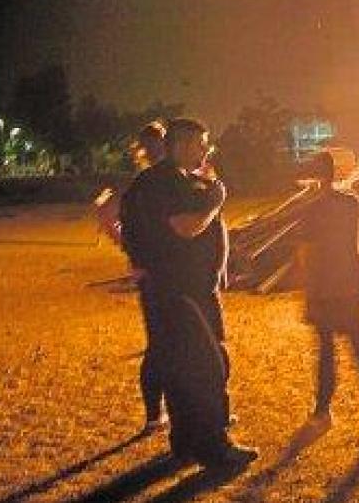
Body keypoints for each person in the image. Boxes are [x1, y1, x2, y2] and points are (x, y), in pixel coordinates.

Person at [119, 117, 257, 468]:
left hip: (180, 290)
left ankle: (184, 443)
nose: (206, 150)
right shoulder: (163, 182)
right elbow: (185, 226)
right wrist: (215, 198)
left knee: (183, 369)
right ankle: (214, 447)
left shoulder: (162, 181)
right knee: (206, 367)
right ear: (180, 145)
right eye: (200, 143)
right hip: (179, 291)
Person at [295, 151, 359, 434]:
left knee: (327, 352)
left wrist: (309, 289)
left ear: (314, 176)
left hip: (325, 287)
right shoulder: (350, 204)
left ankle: (322, 412)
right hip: (350, 283)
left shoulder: (311, 210)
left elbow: (306, 253)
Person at [102, 121, 170, 430]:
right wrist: (136, 256)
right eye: (154, 144)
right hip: (156, 276)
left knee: (165, 344)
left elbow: (116, 224)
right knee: (159, 346)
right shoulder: (143, 185)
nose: (158, 149)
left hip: (164, 274)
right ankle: (155, 413)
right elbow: (118, 223)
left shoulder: (161, 182)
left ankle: (161, 412)